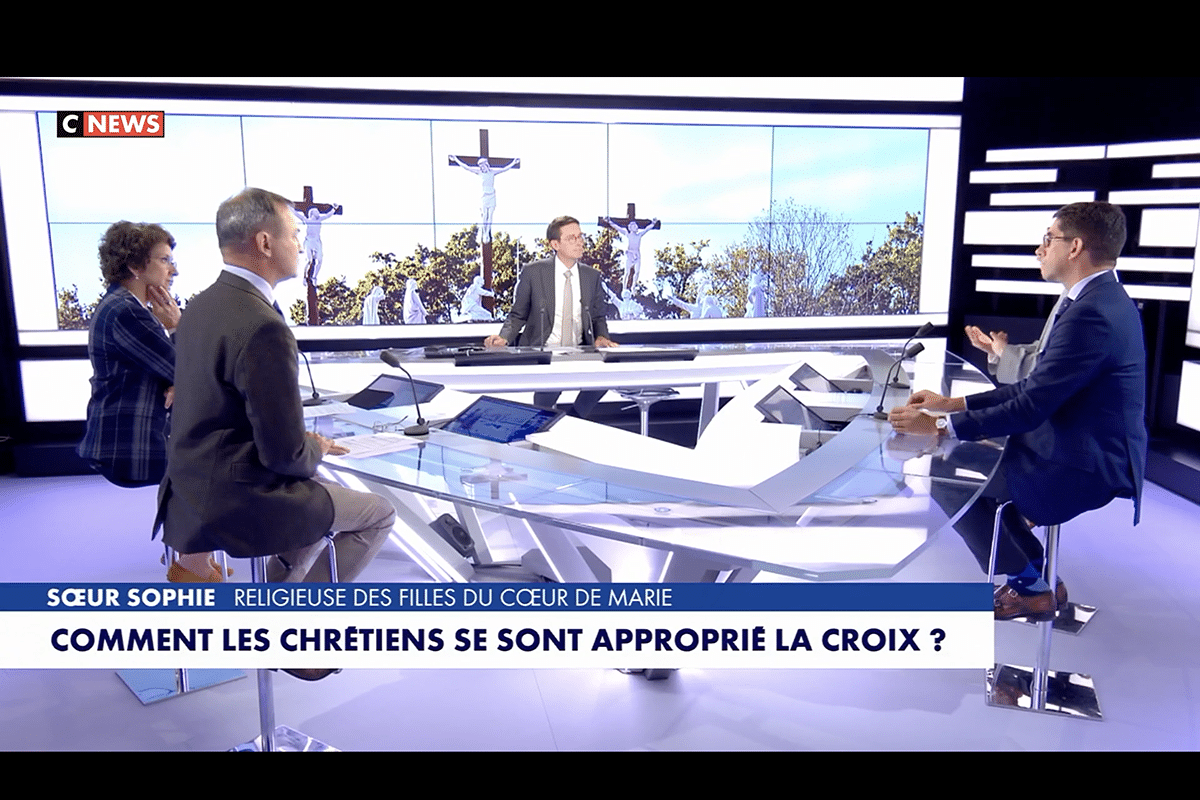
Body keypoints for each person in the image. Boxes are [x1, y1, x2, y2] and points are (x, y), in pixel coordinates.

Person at [155, 189, 395, 643]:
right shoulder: (262, 324)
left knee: (317, 496)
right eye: (294, 234)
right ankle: (301, 632)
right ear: (265, 243)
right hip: (237, 495)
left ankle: (273, 606)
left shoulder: (202, 304)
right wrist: (313, 448)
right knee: (377, 513)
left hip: (187, 486)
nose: (300, 244)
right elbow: (284, 456)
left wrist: (302, 451)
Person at [889, 202, 1147, 620]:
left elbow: (1030, 407)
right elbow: (1034, 386)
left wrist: (940, 426)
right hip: (1081, 446)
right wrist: (952, 405)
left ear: (1075, 247)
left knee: (946, 474)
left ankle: (1032, 587)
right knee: (968, 459)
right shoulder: (1099, 298)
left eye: (1049, 239)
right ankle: (1038, 575)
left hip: (1083, 465)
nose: (1039, 249)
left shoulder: (1091, 314)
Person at [78, 222, 180, 488]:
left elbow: (181, 374)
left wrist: (178, 382)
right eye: (164, 260)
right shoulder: (126, 312)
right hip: (130, 451)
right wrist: (176, 327)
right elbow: (188, 370)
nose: (173, 270)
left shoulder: (123, 306)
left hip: (126, 444)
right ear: (135, 266)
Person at [484, 216, 616, 416]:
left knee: (606, 377)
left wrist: (602, 337)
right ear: (555, 244)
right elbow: (518, 314)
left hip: (581, 351)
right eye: (572, 238)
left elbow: (598, 317)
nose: (580, 242)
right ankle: (543, 420)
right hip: (545, 351)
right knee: (544, 406)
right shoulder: (534, 272)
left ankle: (575, 417)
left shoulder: (592, 276)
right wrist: (504, 338)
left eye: (580, 236)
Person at [964, 291, 1068, 384]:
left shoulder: (1075, 303)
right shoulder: (1067, 293)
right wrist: (997, 350)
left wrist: (1003, 351)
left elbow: (1053, 370)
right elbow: (1043, 349)